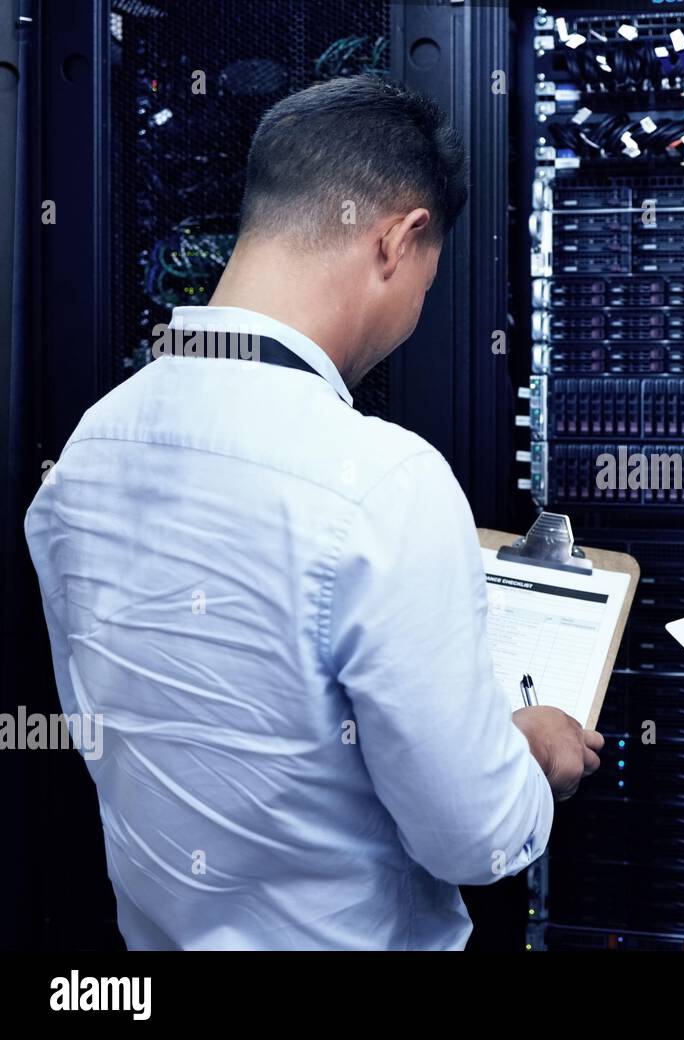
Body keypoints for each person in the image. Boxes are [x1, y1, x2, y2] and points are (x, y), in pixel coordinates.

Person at [24, 76, 601, 950]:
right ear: (398, 240)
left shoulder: (80, 461)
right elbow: (475, 838)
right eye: (428, 279)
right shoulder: (385, 484)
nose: (416, 312)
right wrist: (529, 754)